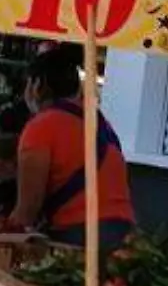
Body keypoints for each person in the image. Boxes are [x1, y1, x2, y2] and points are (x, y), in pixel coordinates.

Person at [11, 43, 136, 247]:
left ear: (36, 85)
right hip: (124, 235)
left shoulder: (41, 127)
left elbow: (27, 211)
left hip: (78, 236)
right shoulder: (100, 122)